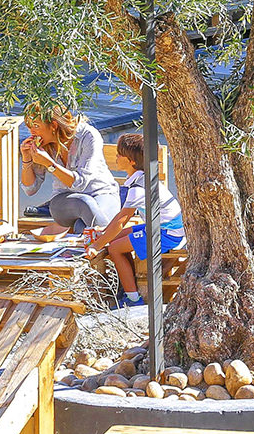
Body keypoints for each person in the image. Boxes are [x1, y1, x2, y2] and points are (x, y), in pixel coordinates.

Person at [85, 131, 184, 307]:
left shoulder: (138, 188)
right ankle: (129, 285)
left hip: (167, 233)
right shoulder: (141, 179)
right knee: (117, 237)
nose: (116, 157)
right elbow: (119, 220)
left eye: (119, 154)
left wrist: (96, 246)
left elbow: (122, 220)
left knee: (114, 248)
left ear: (131, 161)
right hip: (162, 227)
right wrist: (105, 231)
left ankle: (133, 299)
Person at [18, 105, 120, 235]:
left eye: (36, 126)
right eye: (29, 127)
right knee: (84, 202)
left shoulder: (88, 136)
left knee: (81, 226)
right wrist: (26, 158)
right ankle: (109, 245)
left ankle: (89, 250)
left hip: (101, 194)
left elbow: (80, 183)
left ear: (54, 125)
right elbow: (30, 189)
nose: (32, 132)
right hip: (64, 201)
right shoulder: (44, 146)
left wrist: (50, 164)